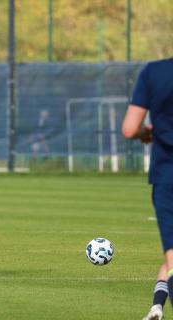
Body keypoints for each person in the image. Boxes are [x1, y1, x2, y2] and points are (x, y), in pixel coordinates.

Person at [122, 58, 173, 320]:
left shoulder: (155, 72)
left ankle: (156, 307)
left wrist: (146, 132)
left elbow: (130, 128)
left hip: (168, 175)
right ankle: (156, 306)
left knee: (172, 257)